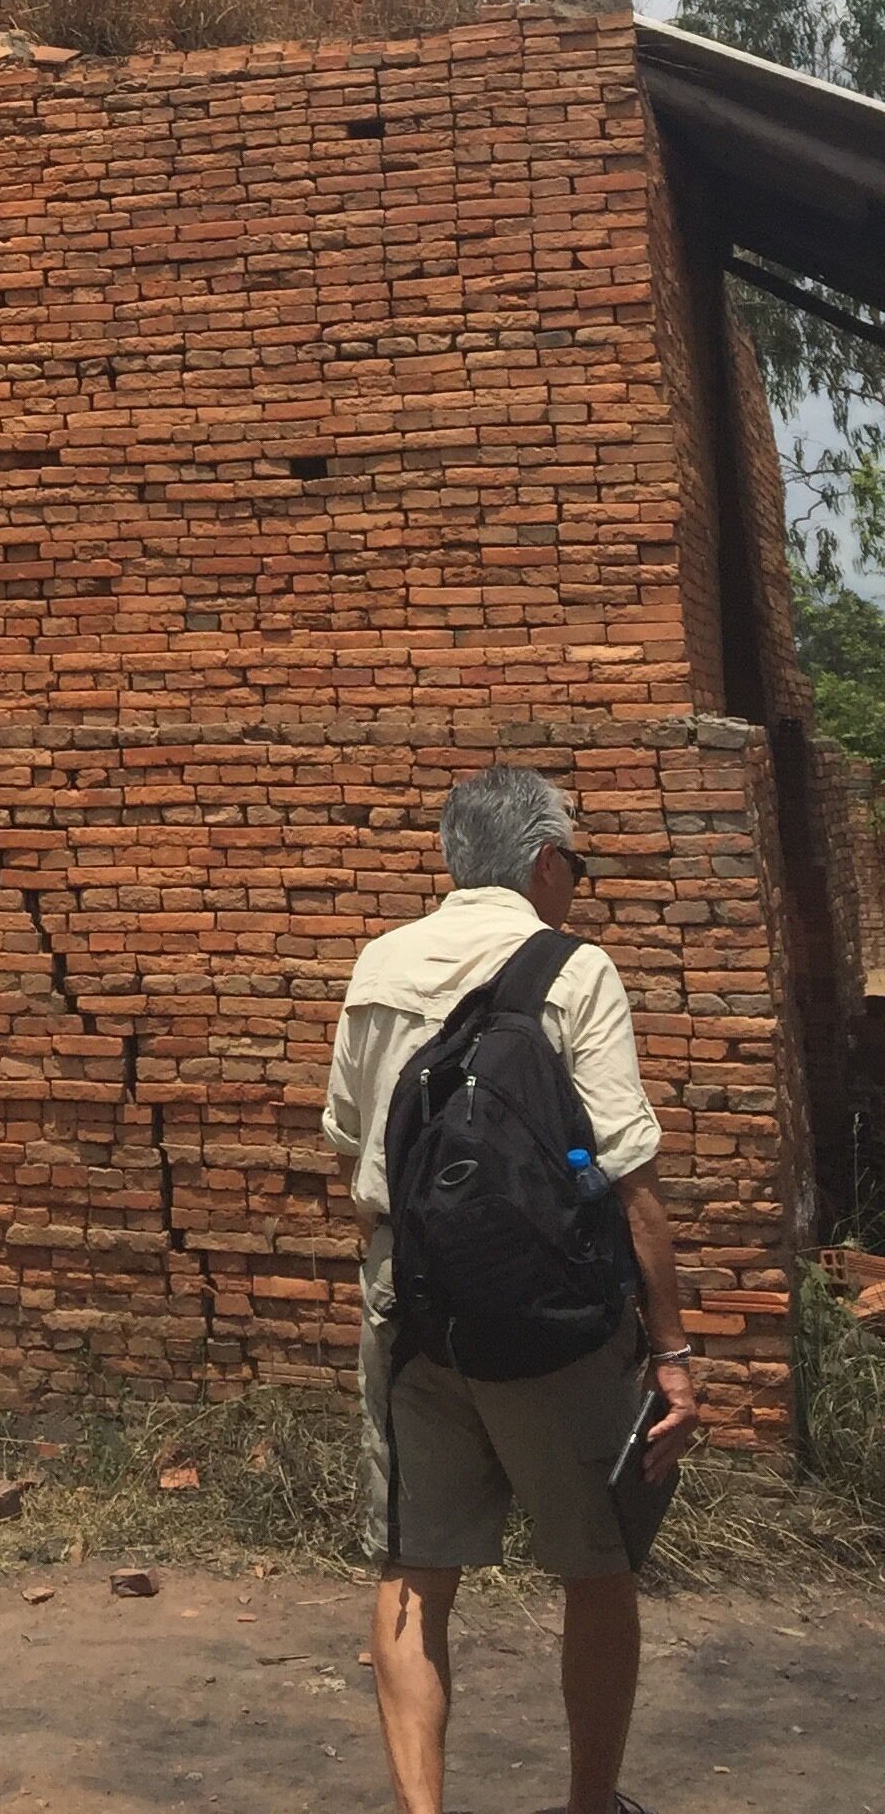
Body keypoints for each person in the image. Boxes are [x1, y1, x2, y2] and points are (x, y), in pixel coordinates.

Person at [323, 764, 703, 1814]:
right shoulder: (576, 971)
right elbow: (631, 1184)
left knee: (414, 1573)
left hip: (412, 1311)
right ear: (543, 862)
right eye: (574, 862)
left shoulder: (379, 963)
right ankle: (588, 1806)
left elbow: (349, 1148)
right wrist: (672, 1354)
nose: (574, 881)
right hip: (554, 1325)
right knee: (597, 1566)